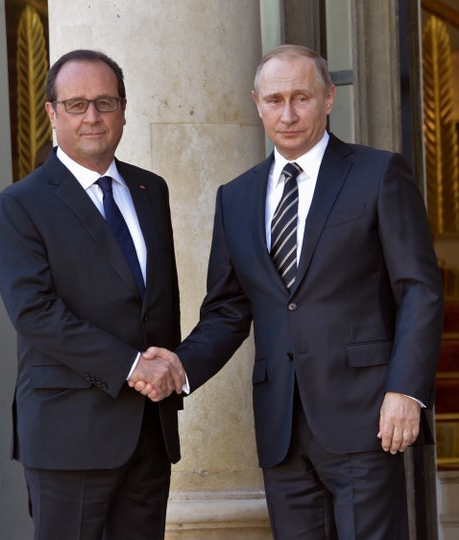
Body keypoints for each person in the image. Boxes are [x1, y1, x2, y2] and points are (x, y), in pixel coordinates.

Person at [138, 44, 445, 539]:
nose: (287, 113)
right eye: (275, 100)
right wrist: (180, 366)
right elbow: (228, 310)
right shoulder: (235, 196)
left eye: (301, 98)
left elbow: (420, 290)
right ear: (257, 104)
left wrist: (405, 390)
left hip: (367, 417)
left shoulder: (378, 173)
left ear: (328, 98)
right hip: (282, 426)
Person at [0, 49, 185, 539]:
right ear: (52, 114)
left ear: (123, 109)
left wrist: (169, 370)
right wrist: (133, 366)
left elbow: (156, 302)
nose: (92, 117)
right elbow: (35, 313)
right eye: (76, 105)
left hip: (149, 431)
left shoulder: (150, 189)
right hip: (68, 434)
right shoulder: (19, 205)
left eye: (105, 102)